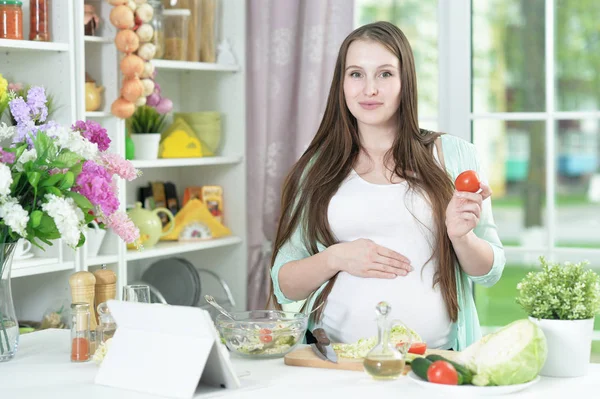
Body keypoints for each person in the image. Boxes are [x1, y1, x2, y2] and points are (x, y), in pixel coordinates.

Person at [269, 21, 505, 351]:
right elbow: (285, 284)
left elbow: (489, 271)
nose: (369, 89)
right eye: (356, 74)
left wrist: (461, 236)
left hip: (434, 361)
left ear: (405, 81)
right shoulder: (316, 168)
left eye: (384, 74)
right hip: (335, 362)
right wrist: (336, 257)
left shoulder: (454, 155)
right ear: (341, 84)